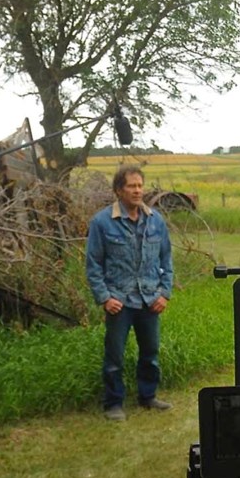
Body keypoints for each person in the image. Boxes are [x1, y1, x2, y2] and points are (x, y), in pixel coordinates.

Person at [85, 165, 174, 422]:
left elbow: (166, 260)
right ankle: (113, 403)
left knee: (151, 353)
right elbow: (93, 265)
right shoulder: (102, 222)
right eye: (131, 186)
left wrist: (164, 293)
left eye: (139, 186)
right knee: (114, 356)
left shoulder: (156, 220)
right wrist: (105, 297)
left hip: (150, 299)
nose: (137, 191)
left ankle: (148, 397)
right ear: (118, 191)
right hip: (119, 301)